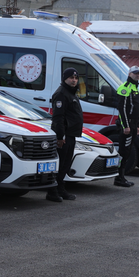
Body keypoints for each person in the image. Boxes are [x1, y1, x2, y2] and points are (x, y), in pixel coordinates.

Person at [48, 67, 83, 202]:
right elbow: (58, 117)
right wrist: (60, 137)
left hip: (71, 134)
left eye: (75, 78)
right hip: (64, 135)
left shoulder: (71, 93)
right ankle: (52, 191)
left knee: (66, 164)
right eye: (71, 78)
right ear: (65, 78)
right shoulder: (61, 94)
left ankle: (60, 188)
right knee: (60, 164)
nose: (74, 80)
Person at [114, 66, 139, 187]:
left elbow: (136, 110)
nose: (137, 75)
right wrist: (126, 126)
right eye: (135, 73)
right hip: (127, 125)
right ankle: (119, 178)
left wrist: (136, 126)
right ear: (130, 74)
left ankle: (121, 177)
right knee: (123, 152)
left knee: (128, 151)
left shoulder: (136, 88)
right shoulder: (125, 88)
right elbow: (122, 109)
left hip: (132, 125)